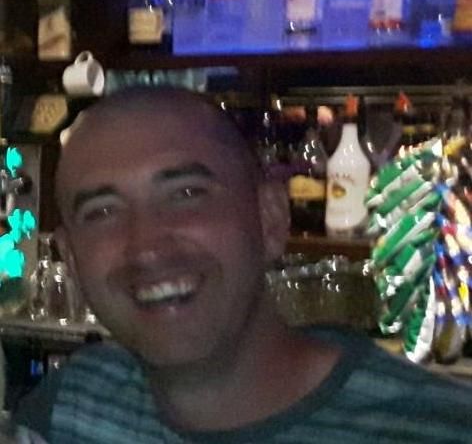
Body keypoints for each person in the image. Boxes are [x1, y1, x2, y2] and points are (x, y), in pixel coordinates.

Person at [13, 87, 472, 443]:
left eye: (186, 194)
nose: (146, 247)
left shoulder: (432, 427)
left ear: (270, 219)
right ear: (71, 258)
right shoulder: (72, 405)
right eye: (102, 212)